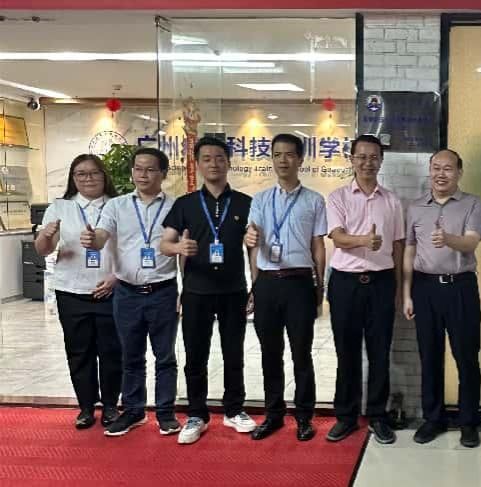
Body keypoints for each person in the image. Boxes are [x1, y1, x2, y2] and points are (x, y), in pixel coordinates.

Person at [160, 137, 255, 444]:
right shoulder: (185, 204)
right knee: (195, 355)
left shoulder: (244, 203)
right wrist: (179, 247)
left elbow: (253, 248)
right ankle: (196, 414)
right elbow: (164, 244)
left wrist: (255, 286)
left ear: (228, 162)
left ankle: (234, 410)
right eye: (207, 158)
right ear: (198, 164)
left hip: (233, 290)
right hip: (196, 290)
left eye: (219, 158)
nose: (214, 163)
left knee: (234, 353)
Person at [81, 147, 180, 437]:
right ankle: (134, 411)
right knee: (130, 356)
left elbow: (182, 251)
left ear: (163, 173)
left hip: (163, 291)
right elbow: (102, 236)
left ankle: (165, 413)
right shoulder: (117, 206)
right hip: (127, 293)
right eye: (138, 168)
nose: (142, 175)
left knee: (165, 357)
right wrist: (92, 240)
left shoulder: (176, 206)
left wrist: (184, 291)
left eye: (150, 169)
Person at [243, 134, 327, 441]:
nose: (283, 160)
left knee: (301, 354)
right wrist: (254, 285)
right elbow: (253, 243)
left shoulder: (314, 200)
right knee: (270, 353)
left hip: (300, 283)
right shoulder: (260, 200)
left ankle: (304, 417)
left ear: (300, 159)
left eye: (289, 154)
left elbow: (318, 245)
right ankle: (273, 415)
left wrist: (320, 285)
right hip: (267, 283)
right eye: (277, 154)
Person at [326, 134, 405, 445]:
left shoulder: (392, 201)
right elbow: (337, 237)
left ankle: (377, 416)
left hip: (382, 282)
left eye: (374, 157)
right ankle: (345, 417)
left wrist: (399, 287)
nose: (367, 162)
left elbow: (398, 246)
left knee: (379, 353)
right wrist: (364, 241)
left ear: (381, 161)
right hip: (345, 283)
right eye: (361, 156)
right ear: (352, 159)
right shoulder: (338, 197)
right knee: (346, 353)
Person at [402, 149, 481, 448]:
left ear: (459, 172)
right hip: (424, 288)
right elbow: (409, 250)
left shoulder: (472, 203)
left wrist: (448, 239)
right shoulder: (415, 207)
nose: (441, 174)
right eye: (436, 167)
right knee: (430, 356)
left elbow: (472, 241)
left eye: (447, 168)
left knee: (466, 357)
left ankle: (468, 422)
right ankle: (433, 419)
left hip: (460, 287)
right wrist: (407, 293)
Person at [35, 154, 122, 430]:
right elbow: (43, 250)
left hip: (110, 291)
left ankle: (111, 406)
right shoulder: (60, 207)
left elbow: (130, 247)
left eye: (94, 173)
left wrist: (116, 278)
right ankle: (86, 407)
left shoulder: (118, 205)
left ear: (104, 175)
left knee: (111, 351)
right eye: (81, 174)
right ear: (73, 179)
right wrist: (46, 235)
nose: (88, 179)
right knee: (79, 351)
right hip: (71, 290)